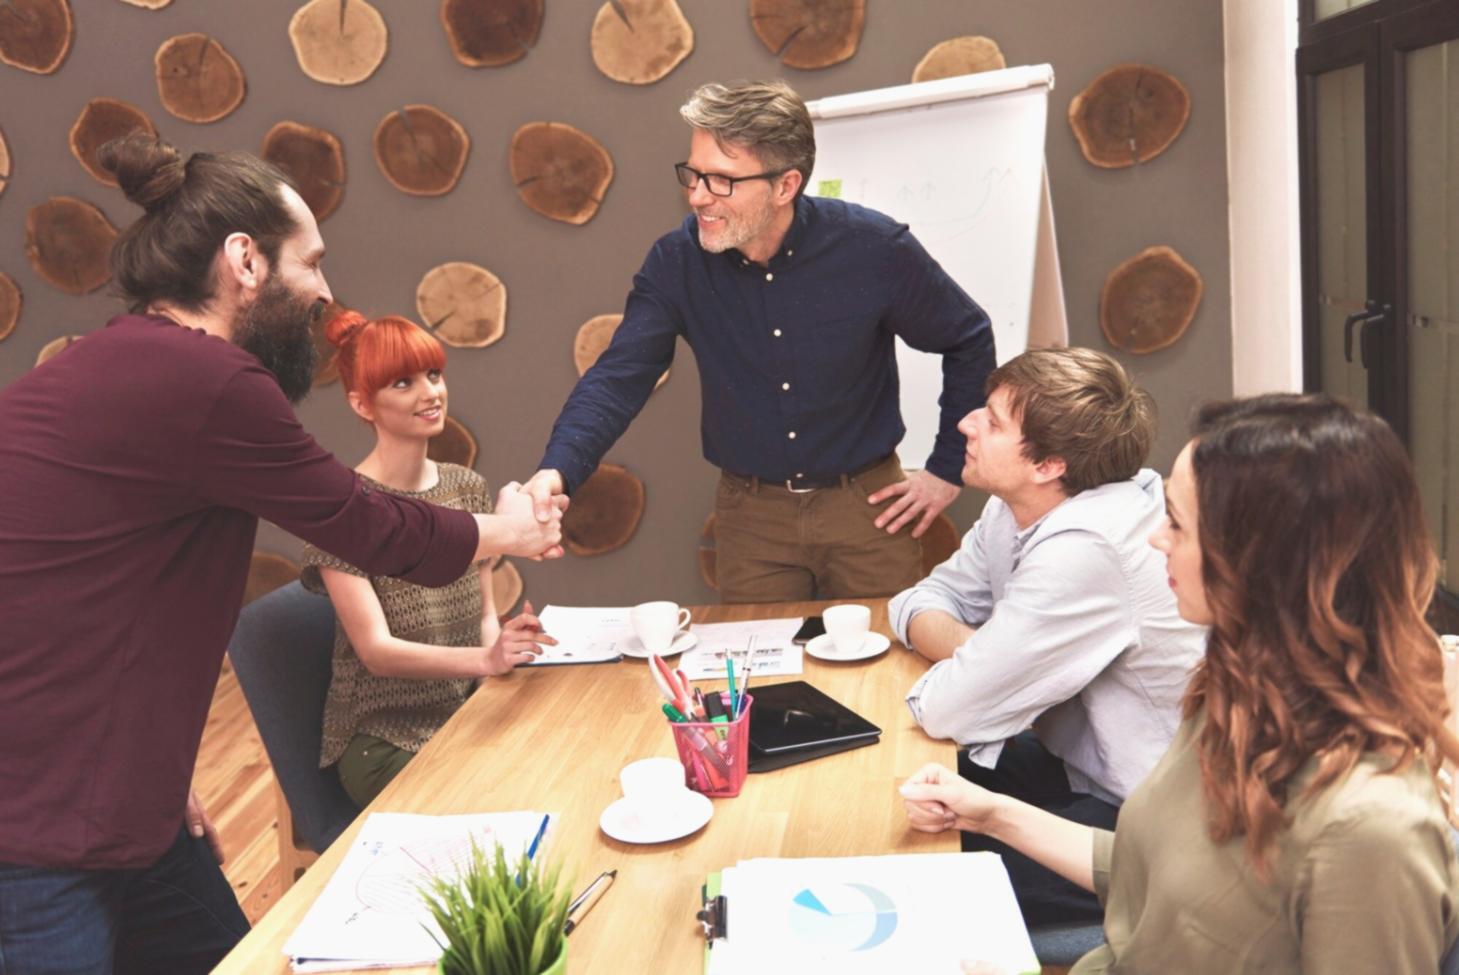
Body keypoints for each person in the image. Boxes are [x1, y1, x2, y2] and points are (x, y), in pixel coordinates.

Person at [0, 135, 565, 975]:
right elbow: (368, 525)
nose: (326, 291)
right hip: (36, 831)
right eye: (312, 261)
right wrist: (510, 531)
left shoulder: (114, 366)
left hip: (112, 800)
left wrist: (137, 765)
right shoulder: (209, 380)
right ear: (245, 261)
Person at [901, 393, 1459, 972]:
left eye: (1177, 523)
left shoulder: (1369, 828)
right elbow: (1158, 873)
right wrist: (988, 812)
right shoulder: (1231, 690)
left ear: (1260, 563)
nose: (1155, 539)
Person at [523, 79, 996, 603]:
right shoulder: (676, 263)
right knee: (758, 681)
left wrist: (947, 468)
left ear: (785, 185)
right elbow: (618, 378)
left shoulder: (873, 249)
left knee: (887, 674)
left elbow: (967, 336)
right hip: (752, 521)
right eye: (694, 174)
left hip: (868, 511)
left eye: (722, 180)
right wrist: (557, 471)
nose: (698, 195)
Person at [889, 347, 1205, 928]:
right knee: (895, 791)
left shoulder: (1089, 544)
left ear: (1047, 465)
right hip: (1080, 765)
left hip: (1155, 821)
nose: (966, 423)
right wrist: (996, 657)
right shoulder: (1016, 506)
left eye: (992, 419)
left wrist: (996, 665)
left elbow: (946, 707)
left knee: (911, 877)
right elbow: (915, 602)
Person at [303, 311, 556, 807]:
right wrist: (485, 659)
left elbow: (484, 615)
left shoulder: (465, 487)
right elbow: (376, 652)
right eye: (404, 382)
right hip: (387, 743)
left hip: (466, 715)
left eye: (434, 375)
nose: (430, 393)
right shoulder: (344, 512)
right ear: (361, 403)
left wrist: (499, 654)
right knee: (516, 800)